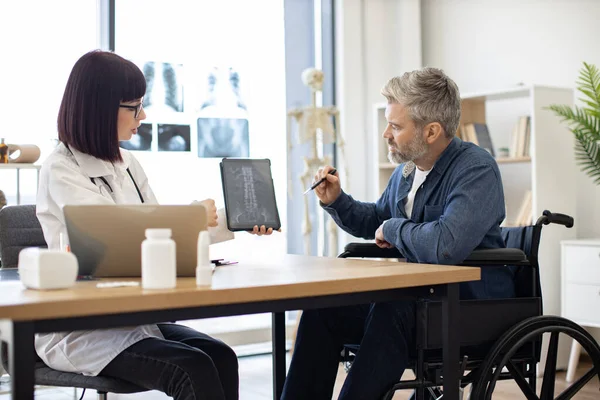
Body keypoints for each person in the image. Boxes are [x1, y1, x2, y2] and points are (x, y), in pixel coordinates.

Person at [36, 50, 275, 400]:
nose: (143, 116)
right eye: (134, 107)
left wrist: (236, 221)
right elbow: (115, 238)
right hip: (80, 327)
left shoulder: (127, 162)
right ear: (100, 108)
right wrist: (193, 218)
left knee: (222, 357)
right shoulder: (60, 169)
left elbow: (164, 236)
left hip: (130, 316)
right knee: (190, 368)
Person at [280, 67, 516, 400]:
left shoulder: (475, 168)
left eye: (395, 126)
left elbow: (444, 245)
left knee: (393, 308)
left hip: (468, 305)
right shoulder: (408, 170)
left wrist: (393, 227)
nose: (386, 135)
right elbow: (375, 219)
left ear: (431, 131)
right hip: (419, 301)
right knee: (324, 309)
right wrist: (337, 201)